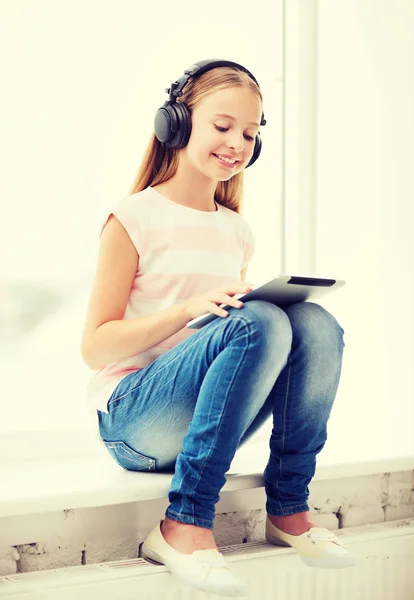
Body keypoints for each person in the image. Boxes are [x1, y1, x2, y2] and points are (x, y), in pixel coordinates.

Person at [80, 59, 355, 597]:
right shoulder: (132, 218)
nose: (237, 143)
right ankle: (183, 523)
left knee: (314, 322)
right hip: (134, 424)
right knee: (257, 321)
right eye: (223, 126)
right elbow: (95, 347)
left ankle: (290, 508)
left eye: (250, 133)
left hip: (196, 423)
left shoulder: (236, 231)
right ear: (176, 125)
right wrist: (187, 310)